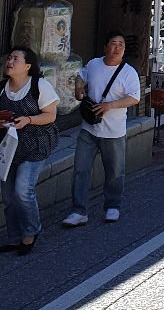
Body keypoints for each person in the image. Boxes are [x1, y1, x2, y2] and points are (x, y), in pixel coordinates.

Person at [63, 30, 140, 226]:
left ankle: (112, 205)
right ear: (105, 47)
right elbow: (81, 75)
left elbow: (134, 97)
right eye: (113, 43)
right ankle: (79, 210)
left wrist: (110, 106)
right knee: (81, 169)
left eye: (121, 44)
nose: (117, 48)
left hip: (114, 131)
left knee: (114, 171)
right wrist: (79, 89)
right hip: (88, 128)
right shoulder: (94, 64)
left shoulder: (128, 72)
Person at [0, 47, 59, 254]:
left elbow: (51, 115)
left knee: (22, 190)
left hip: (36, 144)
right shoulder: (2, 88)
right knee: (8, 196)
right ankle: (15, 237)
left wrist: (29, 120)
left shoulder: (39, 85)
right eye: (9, 58)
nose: (10, 61)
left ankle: (31, 232)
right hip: (9, 147)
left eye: (16, 58)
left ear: (27, 66)